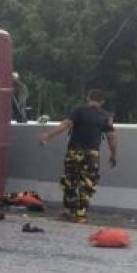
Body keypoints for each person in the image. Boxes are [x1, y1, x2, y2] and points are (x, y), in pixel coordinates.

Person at [37, 89, 119, 223]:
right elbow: (112, 137)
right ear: (102, 101)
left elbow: (66, 124)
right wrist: (113, 155)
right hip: (92, 154)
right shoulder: (106, 116)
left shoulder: (79, 110)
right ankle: (81, 215)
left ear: (88, 97)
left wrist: (48, 135)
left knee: (70, 181)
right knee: (87, 184)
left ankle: (68, 212)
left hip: (75, 151)